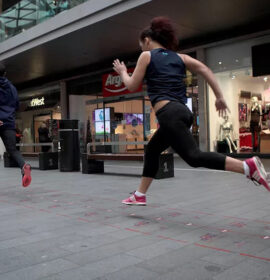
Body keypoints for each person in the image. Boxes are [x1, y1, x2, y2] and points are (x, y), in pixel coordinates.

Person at [112, 16, 270, 206]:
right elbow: (204, 69)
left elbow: (131, 85)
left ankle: (247, 166)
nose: (142, 49)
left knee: (194, 157)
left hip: (169, 114)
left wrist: (122, 72)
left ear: (147, 40)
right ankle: (140, 194)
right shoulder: (180, 57)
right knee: (153, 149)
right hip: (182, 113)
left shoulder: (146, 56)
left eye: (141, 45)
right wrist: (219, 96)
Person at [0, 63, 32, 187]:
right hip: (8, 121)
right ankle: (24, 167)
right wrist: (8, 115)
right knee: (12, 149)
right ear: (5, 74)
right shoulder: (12, 87)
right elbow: (16, 103)